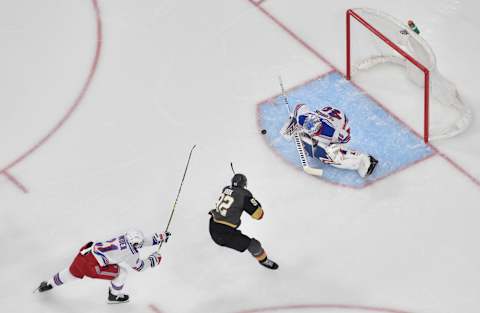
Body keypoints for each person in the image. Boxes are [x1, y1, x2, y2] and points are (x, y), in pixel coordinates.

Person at [36, 229, 171, 303]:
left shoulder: (124, 238)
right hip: (93, 266)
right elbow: (139, 266)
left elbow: (140, 242)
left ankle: (48, 284)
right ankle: (114, 296)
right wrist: (154, 260)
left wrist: (159, 237)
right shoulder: (131, 252)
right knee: (122, 273)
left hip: (85, 254)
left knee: (71, 273)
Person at [281, 103, 378, 177]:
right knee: (303, 131)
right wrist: (294, 120)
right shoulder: (303, 118)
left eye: (315, 133)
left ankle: (362, 160)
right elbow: (300, 107)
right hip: (326, 115)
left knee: (332, 153)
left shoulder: (332, 132)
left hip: (337, 124)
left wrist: (335, 146)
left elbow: (346, 138)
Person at [209, 173, 278, 270]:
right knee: (254, 245)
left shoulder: (225, 189)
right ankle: (264, 261)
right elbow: (259, 215)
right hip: (223, 234)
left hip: (213, 224)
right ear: (244, 184)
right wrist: (255, 202)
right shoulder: (245, 195)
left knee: (232, 222)